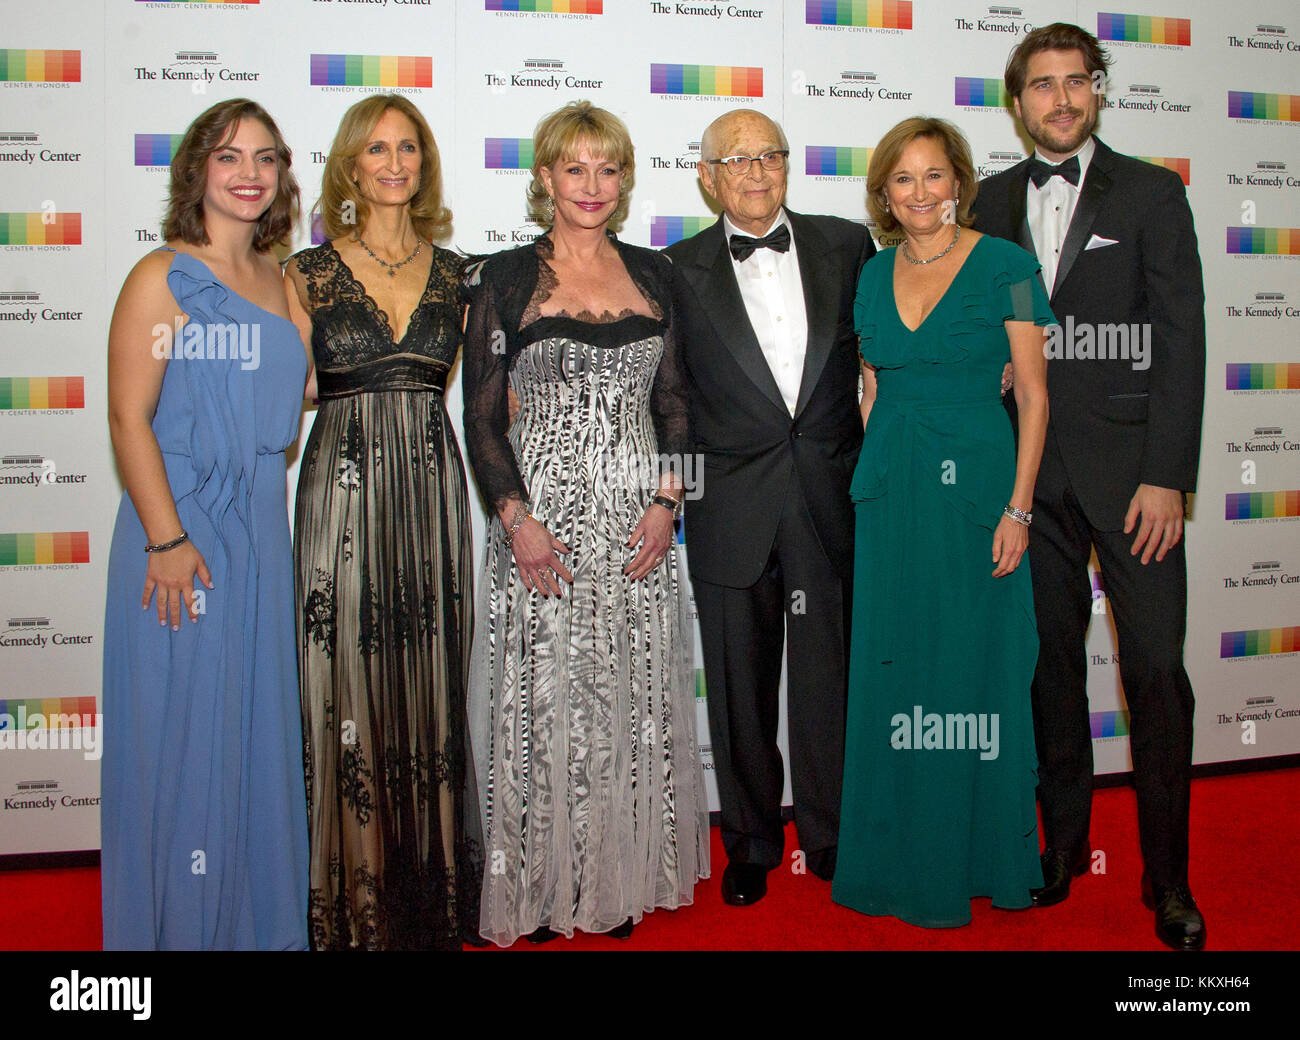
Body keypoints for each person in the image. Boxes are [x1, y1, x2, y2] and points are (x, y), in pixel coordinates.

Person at [973, 22, 1207, 950]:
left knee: (1156, 674)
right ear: (1017, 99)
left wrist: (1168, 476)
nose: (1061, 100)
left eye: (1077, 82)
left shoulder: (1152, 192)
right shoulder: (986, 201)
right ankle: (1061, 850)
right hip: (1027, 482)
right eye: (1042, 85)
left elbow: (1181, 338)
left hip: (1133, 482)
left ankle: (1169, 878)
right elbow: (972, 326)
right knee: (1047, 672)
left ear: (1097, 90)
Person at [462, 100, 708, 946]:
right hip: (546, 521)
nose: (592, 186)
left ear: (625, 179)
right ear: (544, 179)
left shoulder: (656, 274)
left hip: (636, 520)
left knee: (627, 700)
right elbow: (483, 419)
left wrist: (668, 502)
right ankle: (534, 885)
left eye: (608, 169)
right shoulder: (502, 277)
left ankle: (613, 876)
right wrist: (515, 520)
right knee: (542, 696)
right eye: (575, 168)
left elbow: (675, 402)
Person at [831, 117, 1051, 927]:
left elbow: (1033, 394)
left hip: (980, 495)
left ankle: (979, 857)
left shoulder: (1014, 267)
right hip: (893, 492)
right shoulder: (872, 273)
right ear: (884, 194)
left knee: (973, 669)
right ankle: (894, 859)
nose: (920, 192)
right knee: (897, 670)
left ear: (958, 181)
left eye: (934, 175)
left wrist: (1018, 507)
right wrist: (873, 474)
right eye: (902, 179)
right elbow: (871, 388)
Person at [101, 99, 309, 950]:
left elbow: (295, 404)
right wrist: (165, 540)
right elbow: (127, 417)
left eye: (265, 157)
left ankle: (253, 927)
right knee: (184, 734)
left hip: (261, 525)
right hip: (180, 530)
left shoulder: (283, 277)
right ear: (198, 171)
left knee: (254, 734)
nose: (250, 173)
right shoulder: (162, 275)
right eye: (230, 157)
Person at [285, 94, 481, 950]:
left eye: (408, 148)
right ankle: (352, 898)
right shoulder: (305, 273)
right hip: (342, 493)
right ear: (350, 166)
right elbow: (285, 396)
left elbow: (495, 398)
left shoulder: (463, 274)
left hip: (432, 493)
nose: (393, 162)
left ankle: (428, 897)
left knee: (431, 680)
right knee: (347, 691)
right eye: (376, 149)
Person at [665, 109, 875, 906]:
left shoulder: (847, 244)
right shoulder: (674, 268)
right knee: (738, 685)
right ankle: (750, 841)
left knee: (830, 680)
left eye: (770, 156)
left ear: (789, 165)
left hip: (830, 493)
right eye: (736, 160)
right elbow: (670, 396)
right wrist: (677, 494)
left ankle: (832, 832)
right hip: (727, 504)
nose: (755, 173)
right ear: (706, 176)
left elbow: (884, 354)